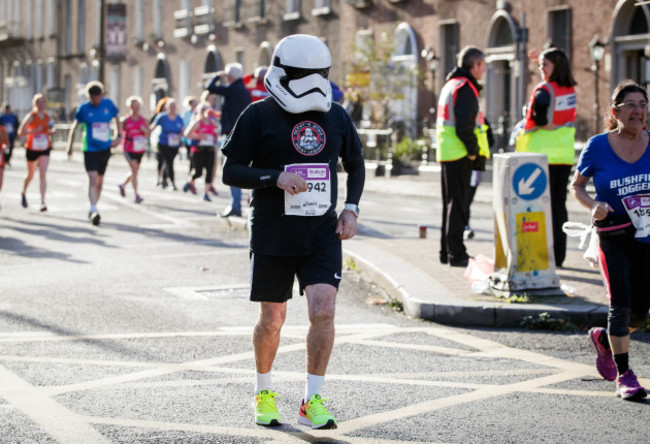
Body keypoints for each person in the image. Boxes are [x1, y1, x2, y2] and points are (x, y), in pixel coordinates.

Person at [222, 34, 364, 430]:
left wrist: (351, 210)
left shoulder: (335, 115)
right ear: (282, 72)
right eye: (303, 74)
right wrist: (275, 177)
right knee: (272, 318)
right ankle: (264, 392)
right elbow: (231, 170)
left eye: (317, 73)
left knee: (324, 311)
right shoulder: (257, 115)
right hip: (272, 232)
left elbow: (357, 163)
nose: (311, 80)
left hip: (321, 232)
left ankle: (312, 399)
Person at [570, 79, 650, 401]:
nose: (639, 111)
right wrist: (594, 205)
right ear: (615, 112)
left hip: (646, 236)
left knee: (639, 314)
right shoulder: (597, 146)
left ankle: (604, 339)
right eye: (631, 105)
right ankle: (625, 375)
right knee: (620, 305)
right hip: (612, 235)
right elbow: (576, 186)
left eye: (643, 105)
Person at [516, 47, 577, 268]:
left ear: (555, 66)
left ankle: (544, 254)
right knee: (559, 206)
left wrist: (537, 121)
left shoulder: (544, 90)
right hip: (563, 155)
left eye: (545, 65)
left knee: (540, 207)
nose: (541, 68)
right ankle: (559, 255)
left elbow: (539, 115)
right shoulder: (569, 90)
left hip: (542, 156)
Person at [435, 45, 489, 267]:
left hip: (449, 151)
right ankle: (457, 254)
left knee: (450, 204)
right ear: (474, 65)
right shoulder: (465, 87)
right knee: (458, 205)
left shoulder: (451, 84)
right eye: (482, 66)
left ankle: (445, 250)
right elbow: (465, 125)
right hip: (460, 153)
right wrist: (473, 152)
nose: (483, 71)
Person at [66, 81, 121, 226]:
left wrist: (119, 135)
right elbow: (75, 127)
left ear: (101, 95)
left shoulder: (108, 105)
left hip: (105, 148)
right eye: (92, 98)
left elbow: (117, 118)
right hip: (90, 149)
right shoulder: (84, 109)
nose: (95, 100)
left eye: (97, 97)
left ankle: (94, 204)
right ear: (89, 97)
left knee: (100, 181)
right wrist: (69, 146)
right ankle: (94, 208)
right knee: (92, 179)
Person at [206, 62, 252, 217]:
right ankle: (244, 204)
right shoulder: (244, 91)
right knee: (246, 170)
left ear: (230, 76)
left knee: (231, 170)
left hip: (232, 135)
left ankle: (235, 206)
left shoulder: (233, 89)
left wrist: (217, 77)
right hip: (244, 134)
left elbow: (210, 88)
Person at [18, 94, 55, 212]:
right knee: (31, 175)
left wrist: (51, 133)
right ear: (35, 104)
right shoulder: (31, 116)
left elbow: (49, 130)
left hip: (44, 147)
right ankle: (23, 192)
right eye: (38, 102)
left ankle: (42, 202)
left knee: (42, 174)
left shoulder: (47, 117)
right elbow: (20, 133)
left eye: (43, 101)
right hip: (32, 148)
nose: (41, 104)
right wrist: (34, 130)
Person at [463, 118, 494, 240]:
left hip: (476, 166)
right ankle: (464, 226)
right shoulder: (464, 118)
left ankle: (465, 225)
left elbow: (491, 141)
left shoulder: (483, 122)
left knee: (467, 200)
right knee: (463, 200)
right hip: (464, 163)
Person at [183, 101, 219, 201]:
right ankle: (190, 181)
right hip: (199, 150)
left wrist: (215, 135)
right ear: (199, 111)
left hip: (210, 149)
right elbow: (187, 134)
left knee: (209, 171)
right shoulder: (197, 122)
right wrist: (199, 136)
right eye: (203, 109)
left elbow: (216, 134)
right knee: (198, 172)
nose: (205, 111)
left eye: (207, 109)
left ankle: (205, 193)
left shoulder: (213, 123)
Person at [118, 96, 149, 203]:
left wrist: (144, 130)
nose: (135, 108)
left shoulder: (144, 120)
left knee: (134, 171)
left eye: (137, 106)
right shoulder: (125, 120)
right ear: (129, 107)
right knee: (134, 170)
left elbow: (148, 133)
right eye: (133, 106)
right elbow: (119, 133)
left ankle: (123, 185)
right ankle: (136, 194)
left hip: (139, 148)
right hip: (129, 148)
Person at [150, 98, 184, 191]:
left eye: (174, 106)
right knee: (169, 162)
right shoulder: (162, 117)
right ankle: (172, 182)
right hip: (163, 143)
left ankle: (164, 179)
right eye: (171, 106)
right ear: (167, 107)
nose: (173, 108)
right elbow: (152, 127)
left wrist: (179, 136)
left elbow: (183, 130)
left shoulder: (179, 118)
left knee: (168, 162)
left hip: (174, 145)